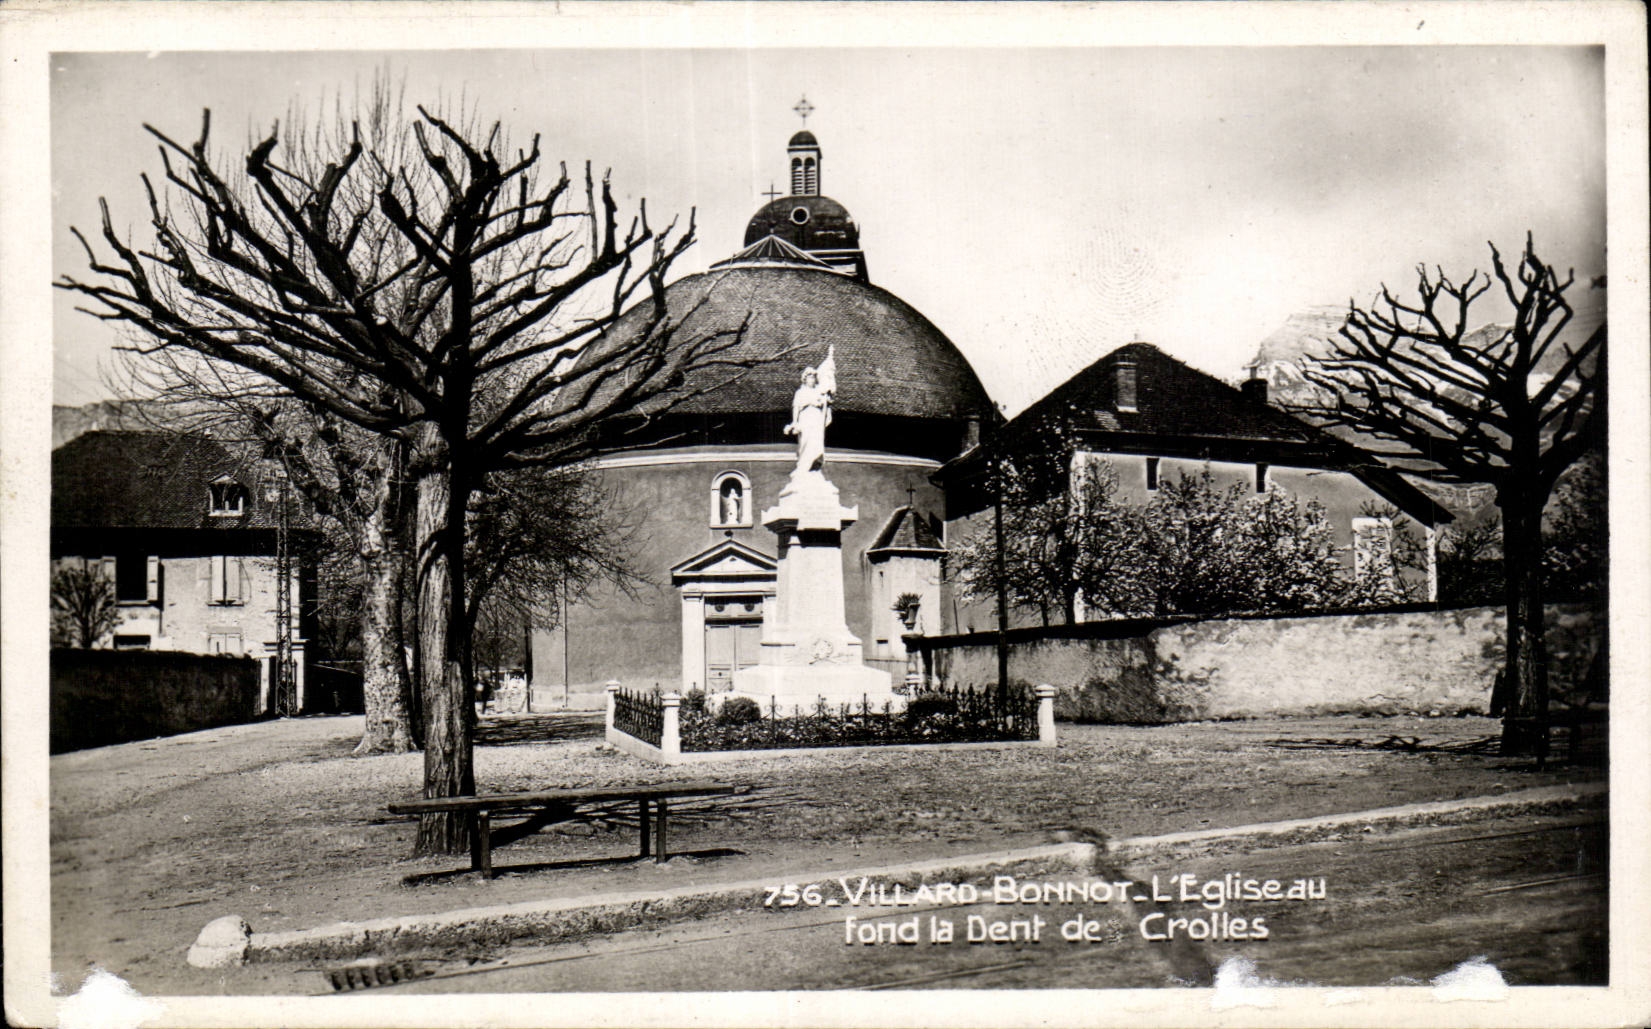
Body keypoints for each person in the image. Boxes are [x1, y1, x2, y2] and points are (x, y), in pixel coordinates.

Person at [785, 345, 836, 476]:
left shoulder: (819, 392)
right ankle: (803, 465)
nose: (811, 380)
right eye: (809, 377)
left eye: (813, 377)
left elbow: (826, 403)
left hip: (816, 418)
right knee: (805, 442)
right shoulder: (800, 392)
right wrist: (795, 422)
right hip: (805, 418)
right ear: (805, 379)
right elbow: (796, 407)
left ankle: (814, 465)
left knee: (816, 441)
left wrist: (827, 401)